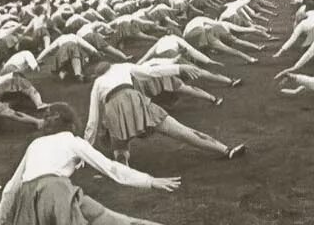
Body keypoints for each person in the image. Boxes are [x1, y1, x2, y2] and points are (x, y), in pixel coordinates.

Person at [0, 104, 215, 225]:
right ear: (72, 124)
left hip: (27, 198)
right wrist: (149, 180)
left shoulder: (35, 144)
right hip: (55, 192)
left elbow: (11, 188)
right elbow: (111, 168)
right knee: (119, 222)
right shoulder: (72, 141)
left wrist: (0, 221)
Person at [85, 61, 247, 165]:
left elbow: (93, 119)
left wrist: (85, 148)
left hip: (113, 110)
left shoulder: (98, 82)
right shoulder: (122, 66)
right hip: (133, 100)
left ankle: (123, 166)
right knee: (181, 131)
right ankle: (226, 150)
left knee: (120, 149)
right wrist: (179, 68)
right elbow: (151, 72)